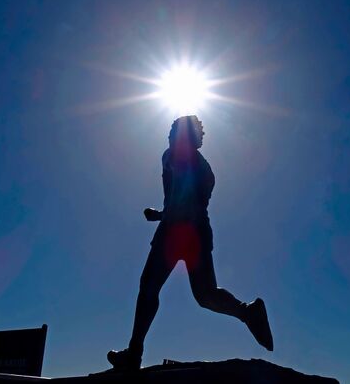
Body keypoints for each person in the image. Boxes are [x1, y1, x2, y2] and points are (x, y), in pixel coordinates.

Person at [107, 115, 273, 370]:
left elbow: (190, 204)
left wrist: (167, 218)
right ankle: (247, 312)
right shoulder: (171, 158)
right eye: (171, 130)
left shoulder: (196, 167)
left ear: (190, 139)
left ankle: (248, 313)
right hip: (182, 230)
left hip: (186, 233)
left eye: (176, 131)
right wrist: (162, 214)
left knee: (185, 293)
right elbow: (175, 199)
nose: (170, 135)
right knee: (178, 291)